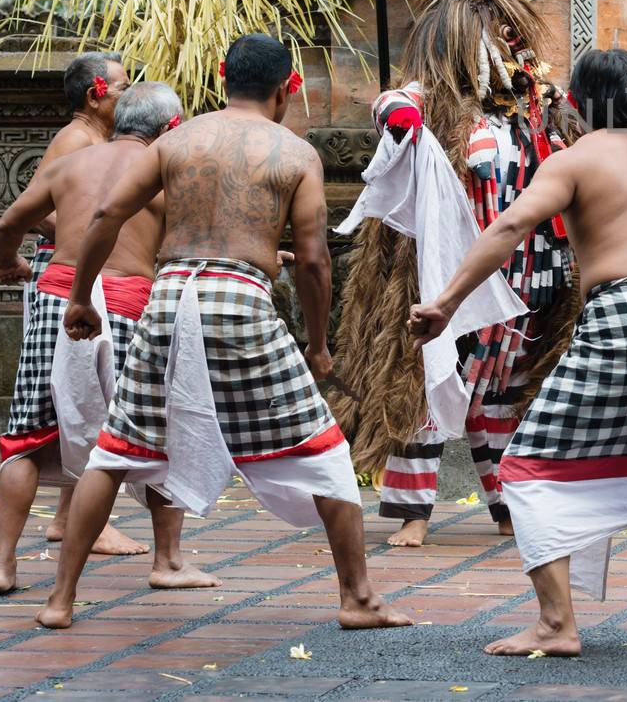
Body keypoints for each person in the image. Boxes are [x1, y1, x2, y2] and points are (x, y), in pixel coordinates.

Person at [35, 34, 409, 632]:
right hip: (240, 301)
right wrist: (318, 344)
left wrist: (80, 297)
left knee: (116, 451)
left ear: (219, 74)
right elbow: (314, 260)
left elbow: (106, 215)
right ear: (288, 89)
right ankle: (358, 599)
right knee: (326, 450)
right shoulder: (295, 153)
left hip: (167, 298)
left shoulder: (176, 139)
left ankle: (59, 601)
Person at [408, 48, 627, 658]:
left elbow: (510, 227)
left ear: (576, 104)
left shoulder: (574, 160)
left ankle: (555, 625)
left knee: (527, 463)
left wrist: (445, 303)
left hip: (625, 313)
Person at [332, 0, 575, 546]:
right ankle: (413, 514)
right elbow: (390, 105)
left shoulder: (533, 105)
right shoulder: (430, 103)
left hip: (528, 273)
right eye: (494, 34)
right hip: (452, 276)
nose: (506, 44)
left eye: (510, 34)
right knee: (433, 382)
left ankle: (508, 508)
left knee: (503, 395)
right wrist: (399, 122)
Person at [0, 82, 216, 597]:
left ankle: (2, 565)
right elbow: (198, 245)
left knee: (27, 434)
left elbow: (7, 224)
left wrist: (9, 262)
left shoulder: (70, 165)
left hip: (59, 297)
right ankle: (169, 562)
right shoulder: (166, 176)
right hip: (133, 300)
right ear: (170, 128)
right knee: (156, 431)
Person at [0, 50, 145, 560]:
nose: (127, 93)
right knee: (74, 399)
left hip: (84, 278)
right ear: (94, 95)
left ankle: (66, 518)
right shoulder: (76, 140)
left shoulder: (98, 141)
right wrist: (92, 233)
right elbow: (35, 210)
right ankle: (89, 525)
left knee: (71, 401)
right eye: (122, 86)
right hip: (70, 279)